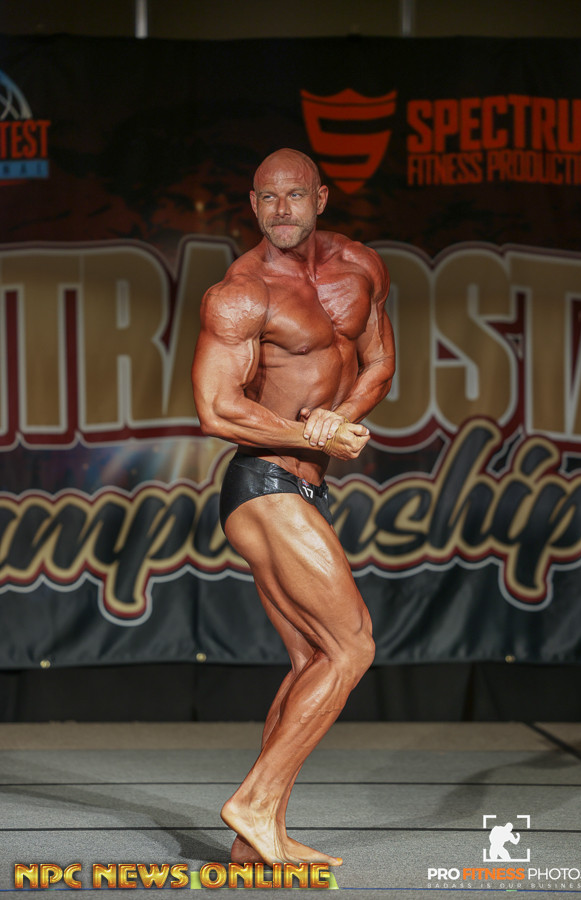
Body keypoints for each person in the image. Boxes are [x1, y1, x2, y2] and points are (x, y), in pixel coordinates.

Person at [191, 148, 395, 867]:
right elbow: (217, 409)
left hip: (306, 487)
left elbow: (379, 362)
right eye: (268, 198)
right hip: (262, 484)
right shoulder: (241, 292)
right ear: (253, 205)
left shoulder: (361, 266)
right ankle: (254, 802)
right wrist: (310, 434)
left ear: (320, 198)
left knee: (313, 657)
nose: (281, 210)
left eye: (295, 196)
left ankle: (256, 839)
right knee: (353, 645)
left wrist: (341, 418)